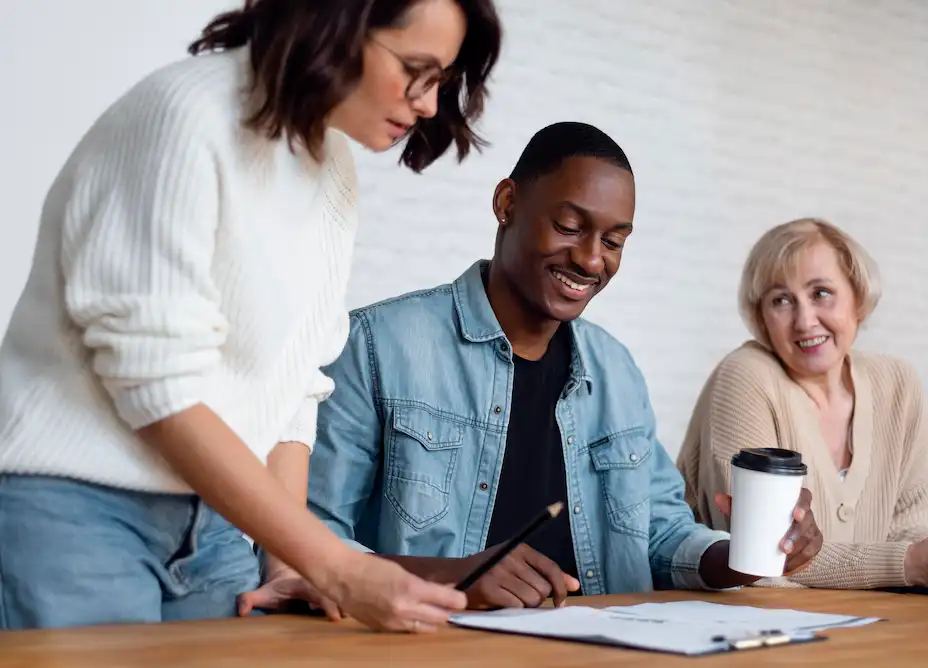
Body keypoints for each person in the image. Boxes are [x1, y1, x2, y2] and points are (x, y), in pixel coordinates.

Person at [0, 0, 502, 631]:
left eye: (441, 80)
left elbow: (295, 387)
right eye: (415, 70)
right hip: (72, 511)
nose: (429, 103)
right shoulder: (185, 114)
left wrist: (291, 560)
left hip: (216, 527)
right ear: (336, 23)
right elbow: (157, 385)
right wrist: (336, 565)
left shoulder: (331, 168)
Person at [240, 122, 823, 614]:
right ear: (506, 203)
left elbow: (660, 535)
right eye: (570, 227)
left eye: (614, 241)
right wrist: (454, 576)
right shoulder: (375, 346)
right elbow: (309, 542)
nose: (592, 259)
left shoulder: (615, 370)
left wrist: (745, 556)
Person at [676, 218, 928, 589]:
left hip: (864, 624)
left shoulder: (897, 383)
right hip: (741, 626)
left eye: (821, 293)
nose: (804, 321)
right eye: (781, 300)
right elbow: (766, 558)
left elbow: (916, 527)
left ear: (858, 297)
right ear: (762, 318)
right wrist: (912, 563)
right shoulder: (746, 376)